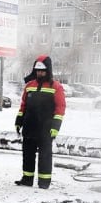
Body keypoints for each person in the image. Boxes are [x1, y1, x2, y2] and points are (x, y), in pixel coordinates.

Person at [14, 54, 66, 189]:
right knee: (28, 155)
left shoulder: (56, 87)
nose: (40, 73)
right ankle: (27, 179)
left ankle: (44, 182)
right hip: (29, 126)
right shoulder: (29, 85)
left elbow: (60, 108)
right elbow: (23, 105)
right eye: (38, 70)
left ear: (48, 70)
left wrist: (55, 127)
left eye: (42, 70)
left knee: (45, 156)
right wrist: (19, 120)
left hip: (46, 128)